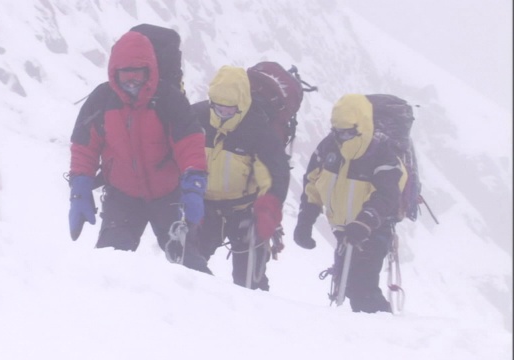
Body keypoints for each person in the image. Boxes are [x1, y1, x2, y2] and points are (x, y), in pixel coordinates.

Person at [67, 29, 211, 274]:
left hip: (168, 195)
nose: (132, 83)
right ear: (114, 73)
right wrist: (79, 188)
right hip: (122, 196)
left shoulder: (168, 99)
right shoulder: (102, 100)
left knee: (189, 267)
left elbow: (190, 143)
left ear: (150, 72)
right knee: (109, 265)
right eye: (126, 77)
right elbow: (84, 146)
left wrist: (194, 186)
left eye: (138, 76)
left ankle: (214, 308)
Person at [293, 93, 405, 313]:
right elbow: (313, 184)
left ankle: (384, 334)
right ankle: (368, 332)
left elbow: (387, 194)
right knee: (347, 288)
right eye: (337, 131)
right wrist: (305, 221)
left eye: (347, 132)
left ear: (361, 126)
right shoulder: (329, 147)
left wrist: (364, 222)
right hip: (344, 230)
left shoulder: (382, 152)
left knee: (361, 288)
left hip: (374, 230)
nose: (341, 137)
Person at [191, 65, 290, 290]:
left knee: (249, 282)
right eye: (218, 108)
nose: (222, 114)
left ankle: (257, 319)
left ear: (242, 104)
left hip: (246, 213)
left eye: (229, 110)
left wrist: (267, 211)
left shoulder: (259, 130)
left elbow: (275, 176)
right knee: (188, 269)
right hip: (203, 208)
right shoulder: (196, 117)